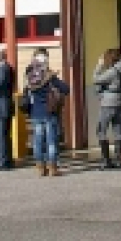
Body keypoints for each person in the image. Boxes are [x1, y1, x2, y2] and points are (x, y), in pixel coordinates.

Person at [21, 49, 70, 177]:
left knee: (37, 141)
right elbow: (66, 89)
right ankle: (52, 167)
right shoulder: (50, 76)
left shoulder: (30, 76)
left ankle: (40, 168)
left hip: (35, 113)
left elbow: (26, 91)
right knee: (51, 141)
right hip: (49, 112)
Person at [93, 48, 121, 170]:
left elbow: (96, 79)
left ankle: (106, 161)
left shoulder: (113, 71)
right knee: (118, 129)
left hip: (108, 102)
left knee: (101, 130)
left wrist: (99, 65)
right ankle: (118, 160)